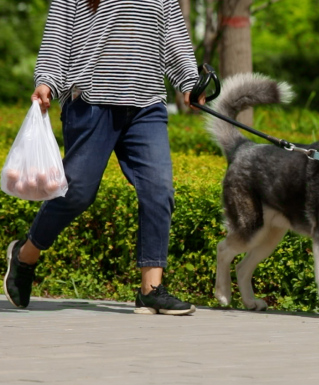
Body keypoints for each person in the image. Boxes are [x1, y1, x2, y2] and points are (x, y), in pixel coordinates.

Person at [3, 0, 205, 315]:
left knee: (158, 189)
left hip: (146, 105)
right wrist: (47, 81)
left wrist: (190, 82)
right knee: (78, 192)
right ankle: (25, 255)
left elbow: (174, 38)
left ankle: (150, 289)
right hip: (91, 103)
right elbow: (57, 39)